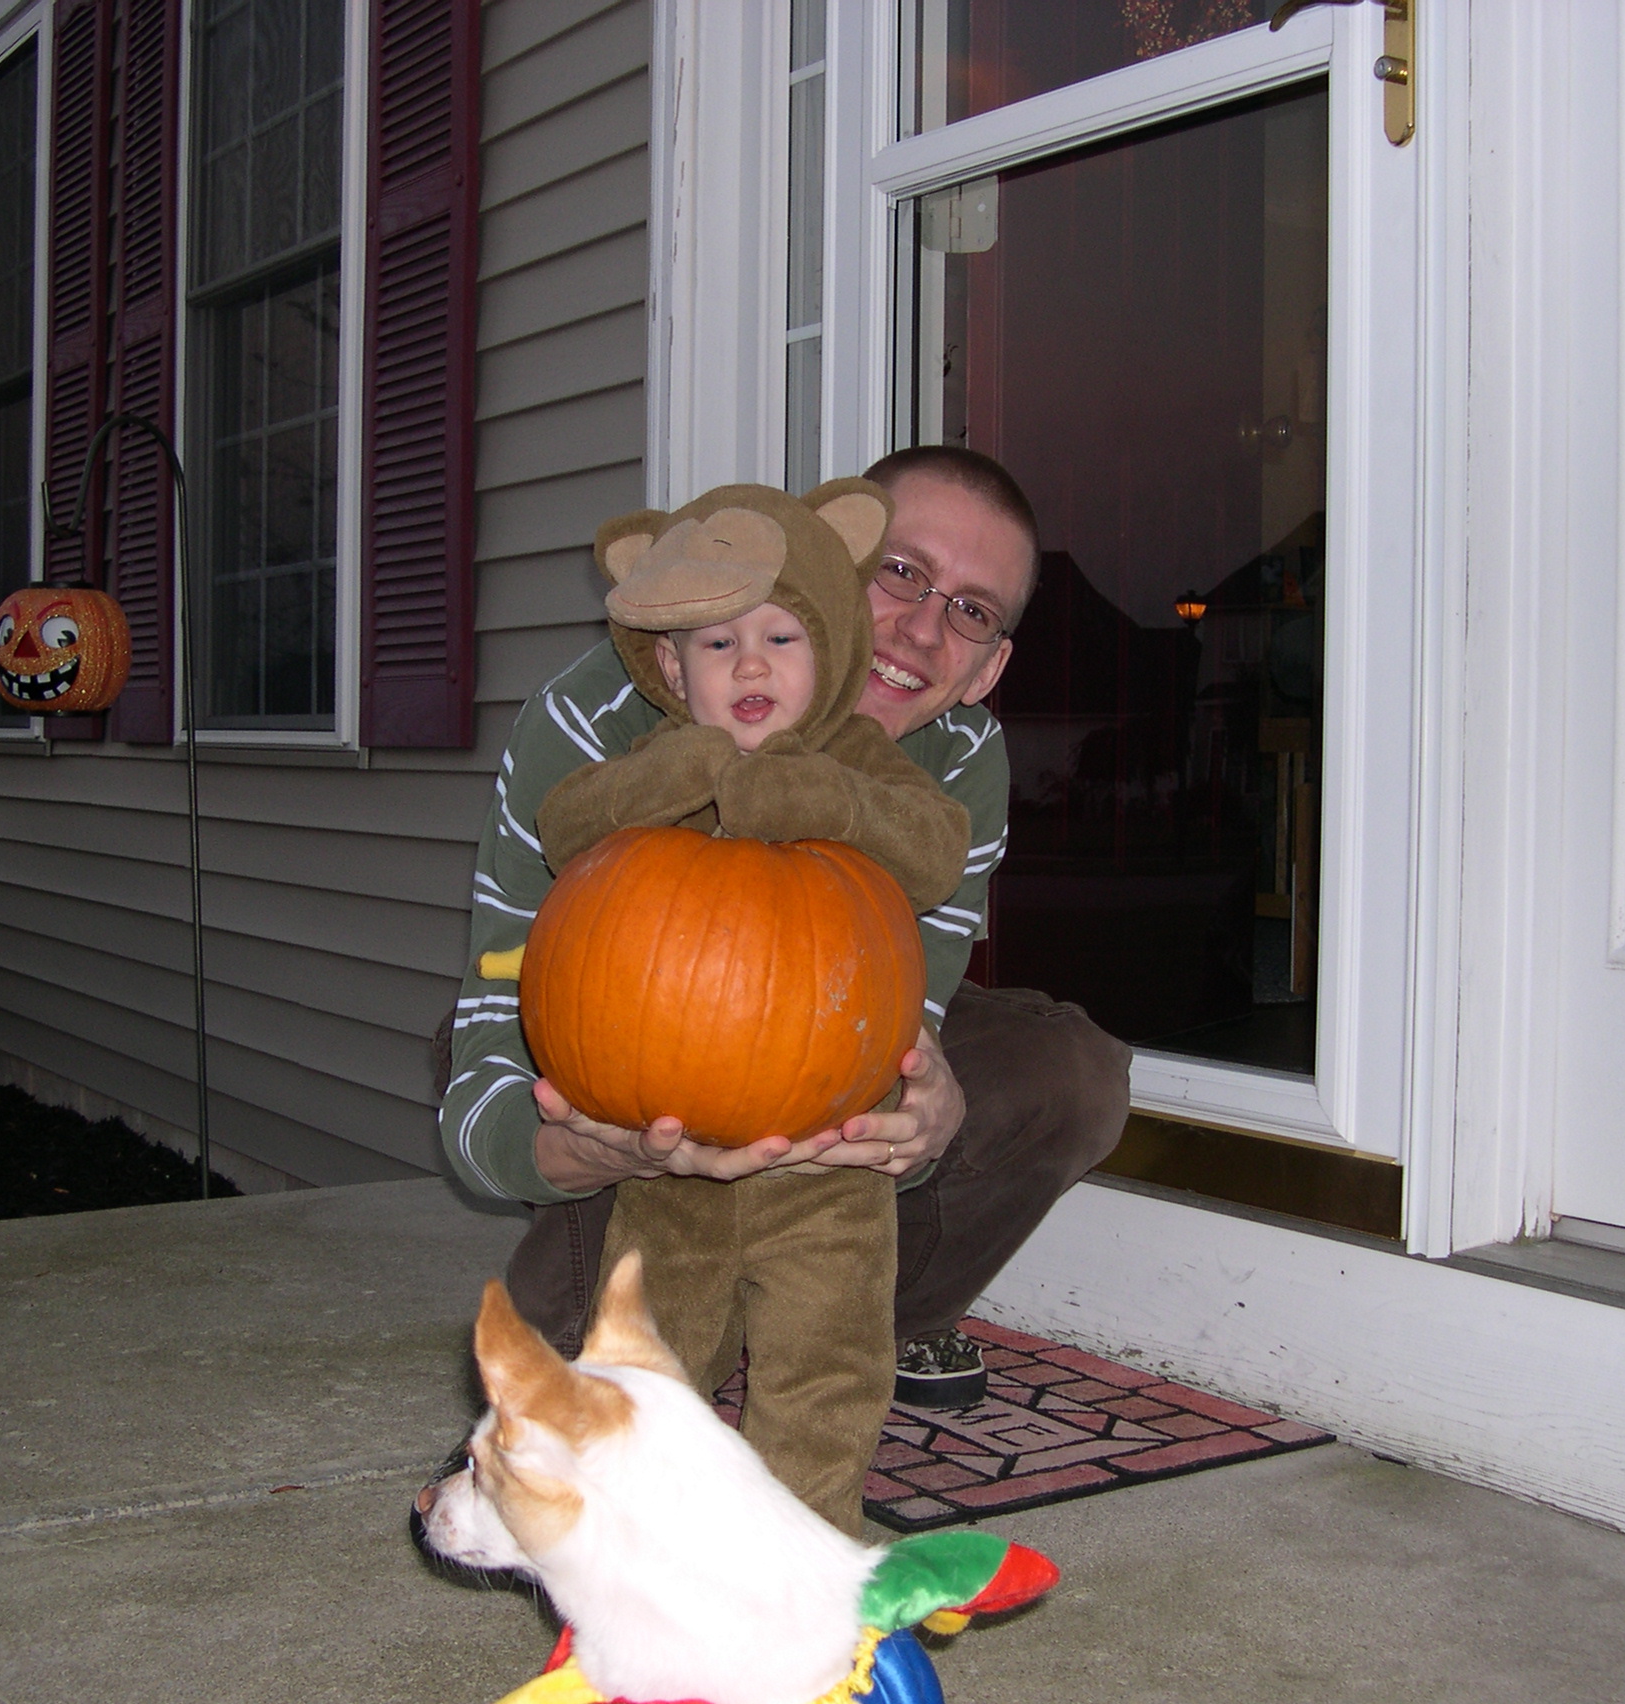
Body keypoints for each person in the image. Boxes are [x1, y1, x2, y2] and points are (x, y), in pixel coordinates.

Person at [438, 445, 1133, 1416]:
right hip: (636, 1052)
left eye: (971, 610)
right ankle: (671, 1316)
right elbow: (481, 1070)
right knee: (547, 1413)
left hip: (825, 1024)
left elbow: (905, 1022)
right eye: (900, 571)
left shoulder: (959, 757)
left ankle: (856, 1325)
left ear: (989, 667)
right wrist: (587, 1147)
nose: (923, 629)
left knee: (1071, 1075)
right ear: (815, 562)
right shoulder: (606, 708)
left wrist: (924, 1121)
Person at [527, 476, 969, 1533]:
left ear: (833, 650)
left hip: (827, 1150)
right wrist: (682, 770)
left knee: (824, 1369)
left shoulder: (853, 759)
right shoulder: (656, 765)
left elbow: (936, 849)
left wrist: (819, 799)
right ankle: (634, 1550)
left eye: (782, 634)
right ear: (670, 666)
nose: (753, 663)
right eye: (717, 646)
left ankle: (799, 1550)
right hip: (663, 1146)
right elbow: (563, 825)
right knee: (647, 1360)